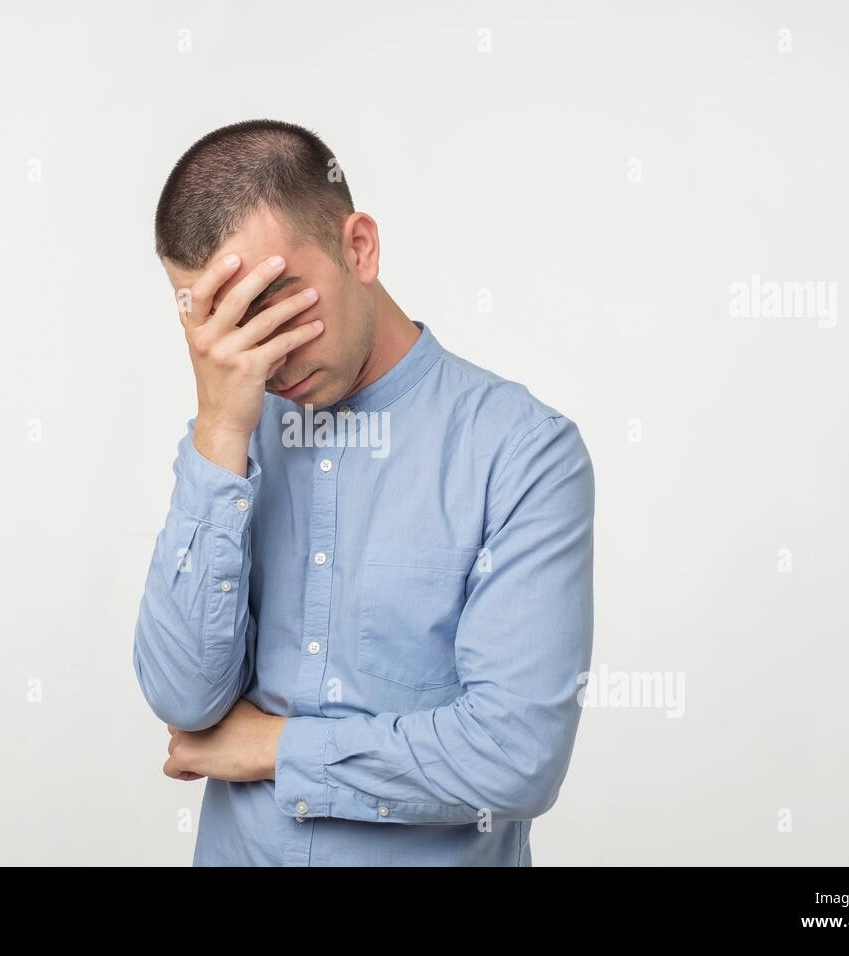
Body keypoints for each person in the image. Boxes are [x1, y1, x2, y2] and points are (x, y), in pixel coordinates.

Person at [133, 119, 595, 866]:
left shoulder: (522, 451)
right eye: (224, 321)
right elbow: (184, 700)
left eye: (278, 302)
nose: (266, 354)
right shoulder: (231, 436)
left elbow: (516, 755)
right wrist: (219, 429)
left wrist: (274, 747)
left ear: (360, 248)